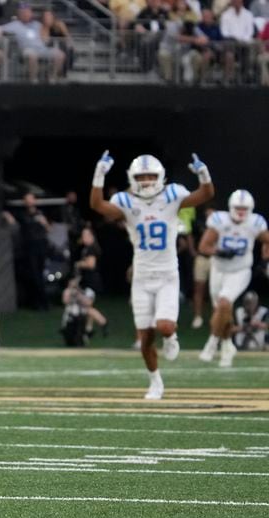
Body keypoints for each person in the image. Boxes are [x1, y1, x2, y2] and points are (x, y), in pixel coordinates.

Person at [90, 151, 214, 399]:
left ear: (160, 177)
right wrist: (98, 176)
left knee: (165, 325)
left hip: (167, 273)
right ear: (132, 178)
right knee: (145, 338)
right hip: (142, 276)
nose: (146, 180)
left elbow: (205, 195)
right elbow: (98, 206)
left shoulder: (172, 195)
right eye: (141, 176)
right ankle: (155, 381)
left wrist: (204, 174)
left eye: (150, 175)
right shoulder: (126, 201)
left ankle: (171, 336)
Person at [197, 190, 269, 366]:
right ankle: (228, 346)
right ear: (231, 207)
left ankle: (212, 343)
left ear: (250, 208)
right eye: (238, 207)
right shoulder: (219, 221)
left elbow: (267, 240)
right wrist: (219, 251)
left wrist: (265, 259)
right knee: (222, 311)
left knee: (224, 303)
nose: (241, 211)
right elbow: (203, 247)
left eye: (244, 208)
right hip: (218, 269)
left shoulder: (255, 223)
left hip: (240, 271)